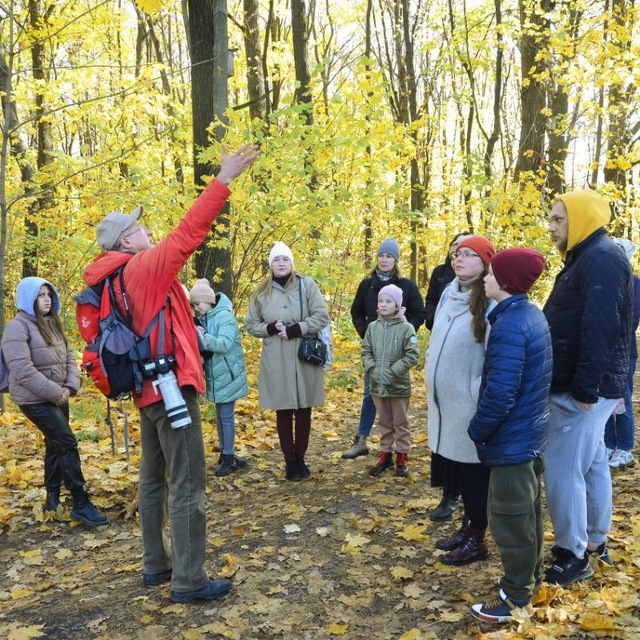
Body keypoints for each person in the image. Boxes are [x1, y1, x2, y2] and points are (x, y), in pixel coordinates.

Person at [82, 143, 259, 603]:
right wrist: (222, 180)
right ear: (126, 241)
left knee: (153, 478)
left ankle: (156, 566)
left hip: (148, 391)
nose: (147, 232)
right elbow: (188, 234)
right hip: (171, 392)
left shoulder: (112, 278)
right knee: (187, 482)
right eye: (139, 228)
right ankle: (189, 579)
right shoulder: (141, 268)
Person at [543, 189, 632, 586]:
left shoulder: (600, 258)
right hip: (591, 384)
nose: (551, 226)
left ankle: (572, 553)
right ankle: (595, 542)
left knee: (563, 470)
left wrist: (585, 388)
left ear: (580, 218)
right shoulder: (589, 255)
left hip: (583, 387)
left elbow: (601, 327)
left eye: (558, 219)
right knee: (594, 463)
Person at [466, 249, 551, 624]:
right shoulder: (528, 315)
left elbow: (501, 394)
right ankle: (527, 581)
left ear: (505, 282)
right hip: (527, 435)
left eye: (491, 274)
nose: (484, 278)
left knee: (511, 518)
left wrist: (477, 430)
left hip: (513, 440)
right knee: (527, 513)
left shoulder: (512, 325)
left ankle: (516, 598)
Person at [1, 277, 108, 527]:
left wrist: (71, 386)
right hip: (34, 399)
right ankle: (80, 503)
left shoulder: (52, 323)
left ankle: (53, 499)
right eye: (40, 295)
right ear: (28, 298)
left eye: (49, 294)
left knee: (56, 444)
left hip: (59, 394)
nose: (46, 299)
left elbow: (70, 356)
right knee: (68, 441)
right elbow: (23, 370)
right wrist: (55, 393)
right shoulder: (17, 327)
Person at [424, 235, 496, 565]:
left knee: (474, 474)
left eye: (469, 255)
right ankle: (467, 527)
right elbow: (436, 337)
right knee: (457, 471)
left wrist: (474, 389)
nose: (459, 259)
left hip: (468, 405)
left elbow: (495, 354)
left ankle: (478, 538)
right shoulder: (447, 294)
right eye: (457, 253)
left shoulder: (491, 301)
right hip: (444, 404)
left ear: (485, 263)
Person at [246, 241, 330, 481]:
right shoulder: (261, 292)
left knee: (304, 408)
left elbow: (321, 315)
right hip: (276, 357)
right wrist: (270, 327)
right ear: (271, 264)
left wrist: (298, 329)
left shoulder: (307, 285)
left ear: (291, 262)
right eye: (276, 260)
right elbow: (251, 325)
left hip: (304, 354)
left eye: (285, 259)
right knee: (283, 409)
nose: (281, 263)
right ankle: (290, 461)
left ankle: (301, 457)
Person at [342, 239, 426, 459]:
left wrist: (404, 332)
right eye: (381, 255)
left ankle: (399, 452)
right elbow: (356, 312)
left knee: (396, 401)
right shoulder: (367, 284)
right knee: (371, 393)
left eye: (389, 256)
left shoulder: (406, 286)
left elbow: (419, 313)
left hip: (397, 354)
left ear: (395, 260)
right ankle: (362, 439)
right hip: (375, 351)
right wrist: (368, 333)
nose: (384, 259)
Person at [424, 231, 470, 521]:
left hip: (464, 379)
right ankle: (448, 494)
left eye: (466, 250)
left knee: (464, 442)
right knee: (443, 441)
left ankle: (470, 503)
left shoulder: (485, 288)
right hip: (441, 372)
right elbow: (430, 301)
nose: (459, 255)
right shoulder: (442, 276)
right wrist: (433, 319)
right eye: (456, 249)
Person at [190, 278, 248, 477]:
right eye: (194, 305)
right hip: (217, 374)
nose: (196, 308)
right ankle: (225, 452)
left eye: (198, 304)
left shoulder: (224, 317)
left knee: (226, 416)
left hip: (228, 373)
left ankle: (229, 456)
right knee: (220, 415)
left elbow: (223, 345)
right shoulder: (206, 317)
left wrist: (202, 336)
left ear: (208, 301)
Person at [362, 284, 420, 478]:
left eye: (389, 301)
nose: (384, 304)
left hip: (398, 385)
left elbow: (412, 355)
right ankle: (385, 454)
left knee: (400, 422)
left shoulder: (406, 328)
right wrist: (373, 369)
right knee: (384, 421)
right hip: (377, 385)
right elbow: (366, 351)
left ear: (398, 305)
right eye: (381, 301)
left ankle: (402, 455)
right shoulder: (373, 327)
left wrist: (393, 371)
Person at [605, 238, 640, 469]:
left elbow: (631, 319)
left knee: (623, 397)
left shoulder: (635, 283)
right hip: (601, 350)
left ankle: (625, 447)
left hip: (624, 351)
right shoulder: (602, 279)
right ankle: (608, 443)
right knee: (604, 399)